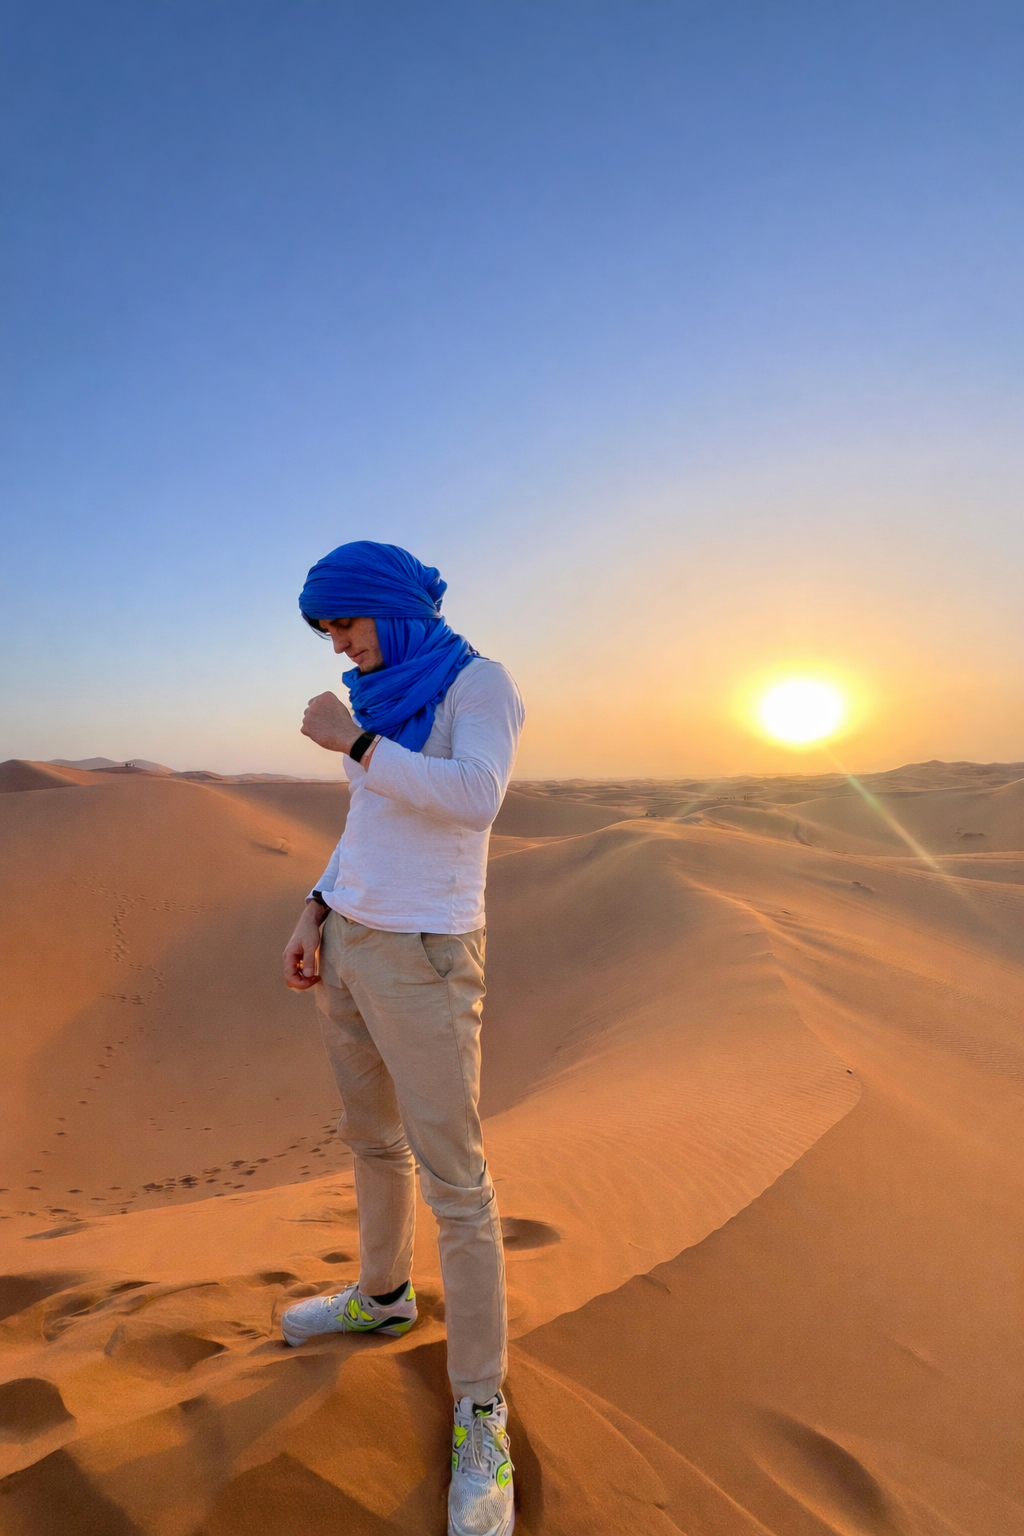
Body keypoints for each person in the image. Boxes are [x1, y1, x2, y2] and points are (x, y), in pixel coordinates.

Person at [280, 540, 524, 1536]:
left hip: (427, 957)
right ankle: (382, 1296)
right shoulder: (379, 699)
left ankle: (481, 1406)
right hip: (351, 940)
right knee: (371, 1144)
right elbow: (369, 823)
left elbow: (474, 799)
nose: (337, 645)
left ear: (390, 609)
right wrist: (314, 909)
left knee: (455, 1184)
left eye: (345, 623)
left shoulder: (478, 683)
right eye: (326, 631)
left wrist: (355, 745)